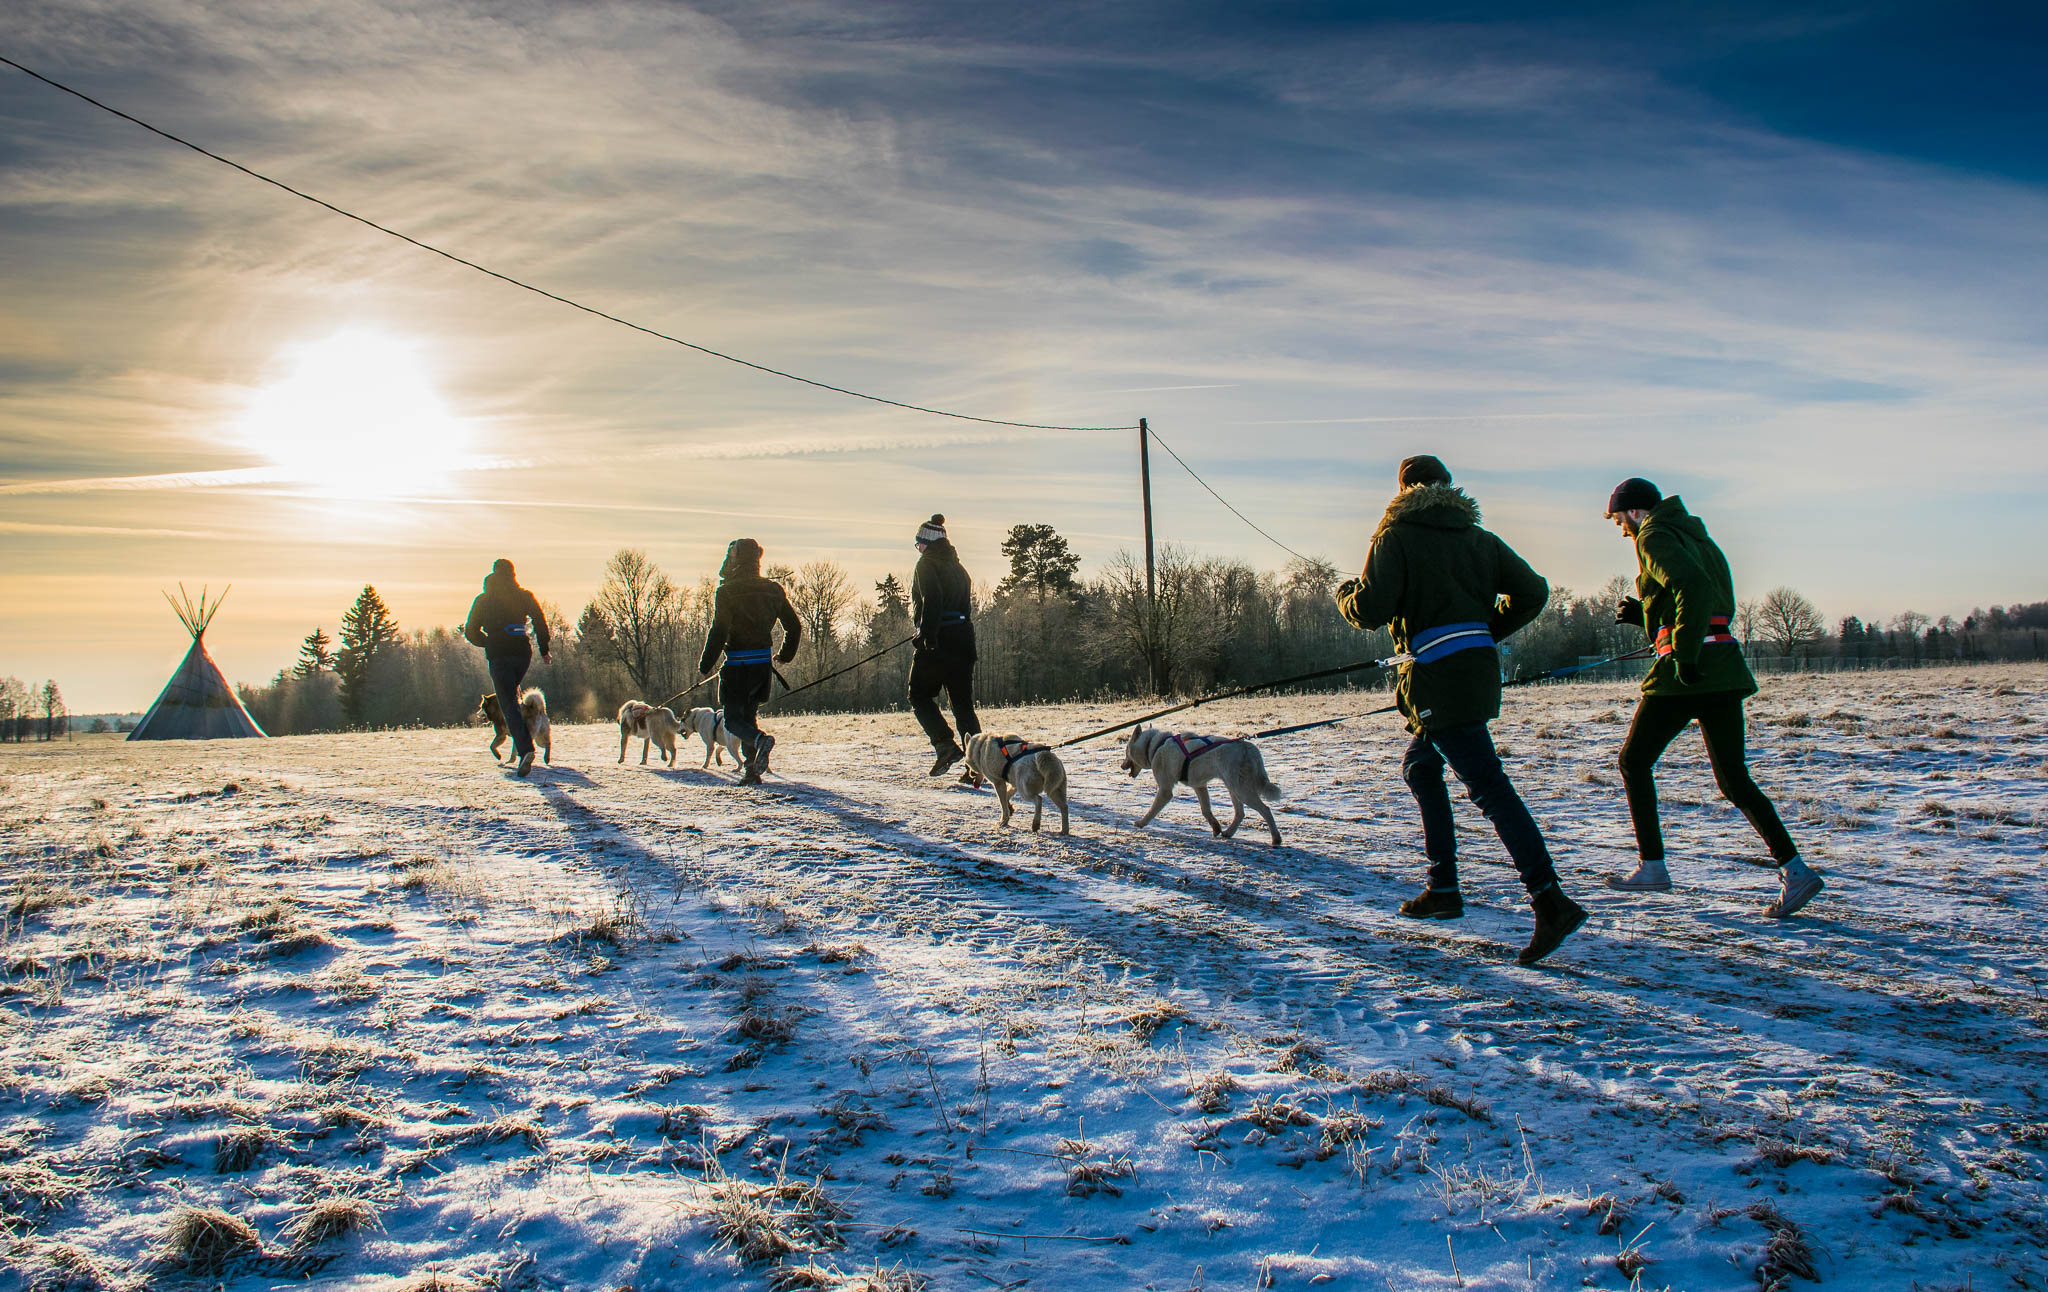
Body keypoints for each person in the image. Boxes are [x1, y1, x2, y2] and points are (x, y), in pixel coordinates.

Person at [1336, 455, 1587, 966]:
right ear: (1449, 489)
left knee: (1489, 787)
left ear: (1403, 490)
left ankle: (1550, 899)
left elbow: (1371, 610)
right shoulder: (1480, 539)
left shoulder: (1395, 536)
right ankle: (1443, 888)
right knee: (1420, 767)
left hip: (1438, 682)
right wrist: (1483, 631)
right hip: (1474, 674)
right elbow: (1533, 591)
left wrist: (1344, 594)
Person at [1603, 477, 1823, 917]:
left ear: (1633, 512)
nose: (1620, 530)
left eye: (1617, 520)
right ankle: (1796, 871)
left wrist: (1683, 655)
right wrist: (1644, 613)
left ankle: (1653, 867)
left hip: (1688, 674)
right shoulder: (1697, 536)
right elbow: (1710, 599)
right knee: (1734, 779)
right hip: (1722, 667)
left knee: (1634, 761)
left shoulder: (1654, 536)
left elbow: (1693, 591)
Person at [697, 538, 801, 785]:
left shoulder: (727, 591)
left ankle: (759, 742)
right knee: (749, 715)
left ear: (733, 559)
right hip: (762, 668)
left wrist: (706, 663)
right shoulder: (773, 590)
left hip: (736, 666)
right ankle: (752, 771)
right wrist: (785, 655)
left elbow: (718, 630)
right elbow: (793, 626)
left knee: (733, 719)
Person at [907, 514, 982, 779]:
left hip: (939, 640)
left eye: (918, 544)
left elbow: (932, 599)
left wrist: (925, 635)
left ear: (925, 542)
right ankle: (978, 764)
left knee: (918, 694)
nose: (918, 549)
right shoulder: (959, 568)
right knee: (962, 706)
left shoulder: (926, 564)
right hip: (964, 639)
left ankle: (944, 745)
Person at [463, 558, 551, 777]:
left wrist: (488, 641)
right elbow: (539, 619)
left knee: (508, 704)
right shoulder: (523, 595)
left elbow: (470, 630)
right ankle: (524, 740)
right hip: (522, 652)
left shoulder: (483, 599)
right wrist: (544, 649)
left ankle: (525, 750)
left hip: (499, 654)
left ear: (493, 574)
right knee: (511, 696)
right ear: (513, 574)